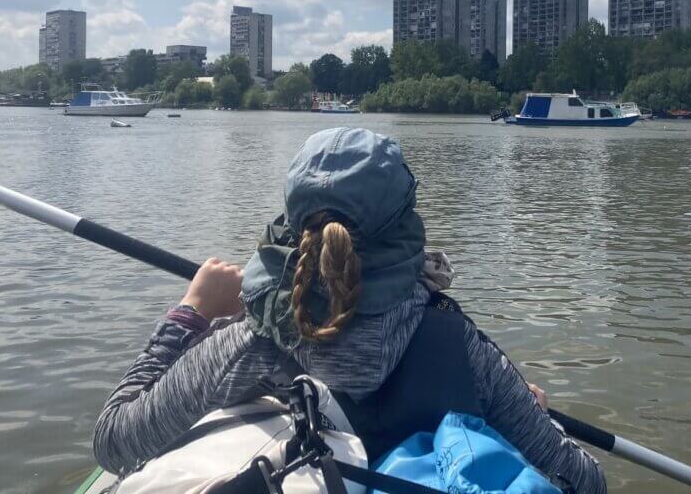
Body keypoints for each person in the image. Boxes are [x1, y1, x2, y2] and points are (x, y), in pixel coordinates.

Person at [94, 127, 606, 493]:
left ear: (294, 232)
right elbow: (584, 481)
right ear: (407, 230)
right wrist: (531, 417)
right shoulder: (461, 348)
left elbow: (114, 441)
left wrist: (192, 312)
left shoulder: (249, 344)